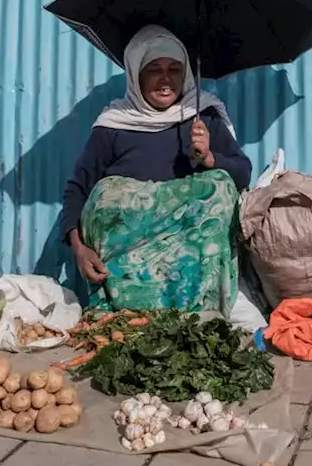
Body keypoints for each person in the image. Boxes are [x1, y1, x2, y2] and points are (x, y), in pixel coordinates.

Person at [61, 25, 253, 315]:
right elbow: (79, 188)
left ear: (186, 74)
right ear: (136, 75)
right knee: (106, 194)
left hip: (191, 269)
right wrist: (78, 248)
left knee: (217, 185)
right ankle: (129, 313)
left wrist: (211, 158)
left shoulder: (203, 116)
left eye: (175, 69)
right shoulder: (114, 124)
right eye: (154, 69)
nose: (166, 80)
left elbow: (242, 173)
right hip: (124, 274)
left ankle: (200, 312)